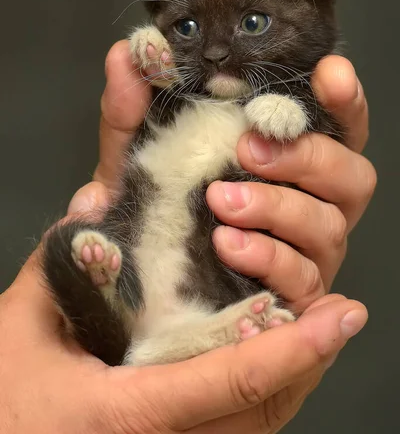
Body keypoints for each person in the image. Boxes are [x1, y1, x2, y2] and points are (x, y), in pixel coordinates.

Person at [0, 41, 375, 433]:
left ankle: (178, 339)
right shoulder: (179, 99)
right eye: (189, 27)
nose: (217, 50)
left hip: (179, 305)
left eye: (252, 24)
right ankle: (166, 336)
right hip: (135, 296)